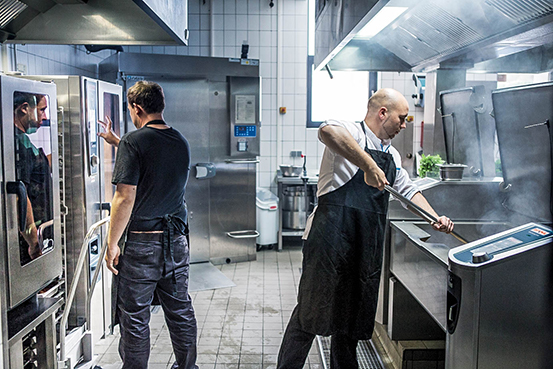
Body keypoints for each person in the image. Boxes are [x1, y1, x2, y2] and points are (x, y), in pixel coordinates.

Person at [277, 88, 454, 369]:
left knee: (352, 319)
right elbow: (326, 131)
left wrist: (435, 217)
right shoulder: (353, 133)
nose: (404, 124)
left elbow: (408, 192)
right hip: (330, 241)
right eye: (402, 118)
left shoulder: (393, 156)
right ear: (383, 113)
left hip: (364, 246)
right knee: (310, 312)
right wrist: (369, 165)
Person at [104, 81, 198, 369]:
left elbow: (124, 196)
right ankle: (188, 366)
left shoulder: (135, 142)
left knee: (134, 316)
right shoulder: (179, 141)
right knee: (180, 309)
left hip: (142, 244)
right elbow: (154, 158)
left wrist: (111, 243)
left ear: (137, 108)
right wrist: (117, 142)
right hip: (176, 242)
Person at [13, 92, 53, 263]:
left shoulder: (23, 140)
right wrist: (34, 243)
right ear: (24, 108)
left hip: (39, 229)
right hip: (27, 241)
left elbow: (36, 168)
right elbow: (18, 195)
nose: (44, 117)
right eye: (41, 110)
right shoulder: (16, 143)